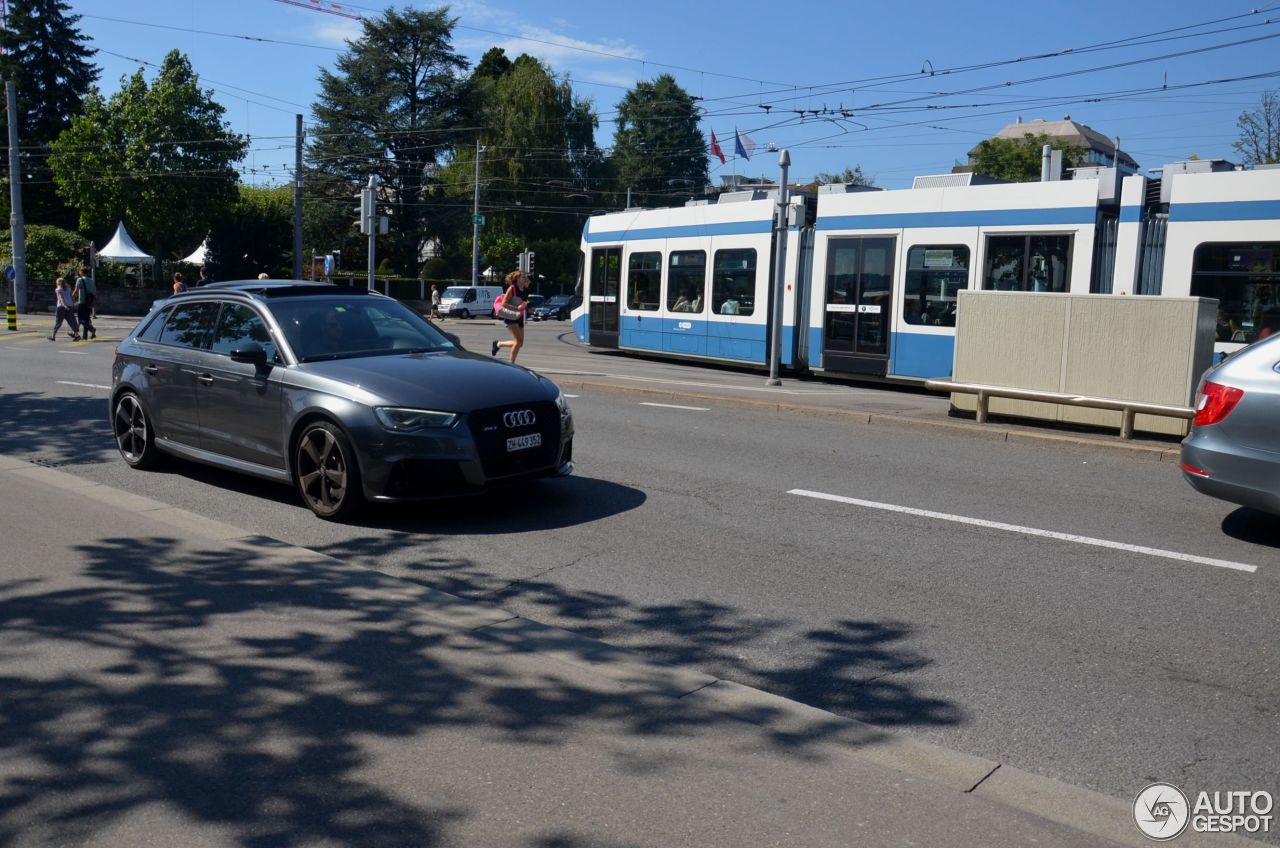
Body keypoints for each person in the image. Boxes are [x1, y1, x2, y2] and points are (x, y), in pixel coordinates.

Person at [491, 270, 530, 363]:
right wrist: (517, 307)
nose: (525, 279)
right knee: (518, 342)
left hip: (519, 317)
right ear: (517, 279)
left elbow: (524, 303)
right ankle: (512, 364)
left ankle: (498, 344)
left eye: (526, 277)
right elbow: (504, 304)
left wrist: (528, 307)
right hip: (510, 316)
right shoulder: (512, 288)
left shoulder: (526, 290)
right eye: (523, 277)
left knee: (520, 343)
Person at [48, 277, 81, 341]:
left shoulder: (58, 289)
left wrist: (64, 305)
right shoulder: (68, 289)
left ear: (58, 283)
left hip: (61, 307)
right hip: (70, 306)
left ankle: (53, 336)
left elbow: (61, 298)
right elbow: (71, 297)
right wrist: (73, 303)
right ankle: (77, 335)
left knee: (58, 321)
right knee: (72, 321)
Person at [72, 266, 96, 340]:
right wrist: (93, 302)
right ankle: (85, 336)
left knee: (81, 319)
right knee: (86, 318)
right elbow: (94, 292)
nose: (79, 273)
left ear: (81, 272)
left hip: (82, 301)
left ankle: (91, 329)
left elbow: (76, 291)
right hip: (89, 302)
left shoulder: (80, 280)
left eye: (80, 271)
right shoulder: (91, 280)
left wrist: (71, 298)